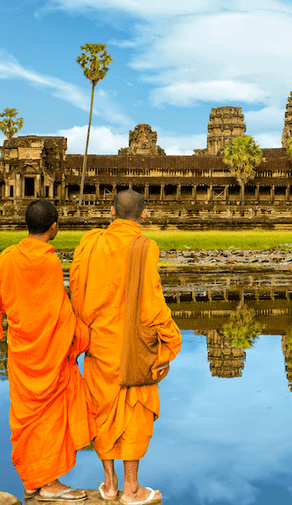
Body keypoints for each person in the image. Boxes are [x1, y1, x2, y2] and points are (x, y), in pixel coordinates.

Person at [69, 190, 181, 505]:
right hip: (133, 347)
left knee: (102, 409)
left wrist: (85, 329)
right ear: (143, 215)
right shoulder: (144, 247)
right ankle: (131, 488)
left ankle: (108, 482)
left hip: (98, 342)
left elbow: (76, 290)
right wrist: (170, 342)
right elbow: (152, 303)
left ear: (111, 211)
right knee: (134, 409)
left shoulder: (90, 243)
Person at [0, 199, 95, 502]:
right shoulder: (48, 262)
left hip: (22, 351)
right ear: (54, 227)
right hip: (47, 353)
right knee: (48, 417)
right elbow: (58, 313)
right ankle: (47, 483)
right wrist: (82, 334)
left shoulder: (7, 257)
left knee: (28, 416)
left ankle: (33, 480)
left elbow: (0, 299)